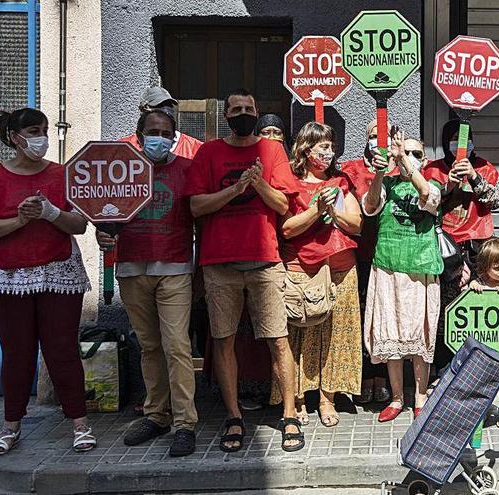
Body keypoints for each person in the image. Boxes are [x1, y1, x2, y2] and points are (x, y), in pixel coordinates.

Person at [185, 88, 304, 452]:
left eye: (248, 108)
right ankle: (234, 415)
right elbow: (195, 207)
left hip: (265, 262)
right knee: (223, 341)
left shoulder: (272, 151)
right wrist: (235, 190)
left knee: (277, 339)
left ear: (257, 112)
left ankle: (289, 414)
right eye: (235, 108)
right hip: (219, 265)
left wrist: (258, 183)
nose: (242, 113)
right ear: (225, 114)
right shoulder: (209, 153)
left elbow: (284, 203)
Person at [0, 108, 94, 455]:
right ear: (14, 137)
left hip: (58, 272)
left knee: (62, 350)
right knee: (17, 353)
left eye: (44, 130)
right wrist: (19, 221)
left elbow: (79, 225)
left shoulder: (64, 176)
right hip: (7, 276)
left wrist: (50, 212)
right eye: (32, 131)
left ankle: (80, 424)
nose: (40, 138)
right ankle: (11, 426)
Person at [96, 108, 198, 457]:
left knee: (177, 346)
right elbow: (101, 210)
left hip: (174, 266)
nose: (158, 137)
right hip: (130, 267)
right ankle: (157, 414)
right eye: (151, 130)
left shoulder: (187, 169)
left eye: (165, 131)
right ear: (138, 135)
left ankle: (185, 423)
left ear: (174, 137)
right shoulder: (119, 171)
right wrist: (102, 234)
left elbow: (201, 213)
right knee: (149, 346)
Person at [272, 121, 363, 427]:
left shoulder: (340, 181)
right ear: (305, 149)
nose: (329, 152)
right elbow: (286, 228)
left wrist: (334, 212)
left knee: (337, 335)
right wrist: (315, 210)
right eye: (322, 146)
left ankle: (327, 398)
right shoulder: (292, 182)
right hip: (302, 269)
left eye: (331, 146)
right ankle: (296, 399)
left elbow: (356, 224)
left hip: (341, 268)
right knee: (300, 334)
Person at [362, 134, 443, 422]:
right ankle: (397, 399)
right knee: (391, 335)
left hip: (420, 269)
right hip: (387, 267)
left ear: (424, 158)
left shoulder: (433, 183)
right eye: (406, 151)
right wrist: (382, 170)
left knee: (420, 337)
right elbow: (370, 207)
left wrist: (406, 162)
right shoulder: (386, 184)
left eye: (416, 153)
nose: (409, 156)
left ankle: (420, 397)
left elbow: (428, 198)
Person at [423, 119, 499, 377]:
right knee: (446, 312)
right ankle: (445, 369)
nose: (461, 145)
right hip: (446, 248)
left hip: (477, 245)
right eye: (455, 139)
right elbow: (426, 204)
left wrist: (474, 176)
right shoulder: (433, 169)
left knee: (476, 308)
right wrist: (449, 185)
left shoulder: (485, 168)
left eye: (466, 139)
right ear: (446, 142)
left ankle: (479, 368)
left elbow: (495, 201)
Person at [340, 120, 392, 405]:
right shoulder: (350, 169)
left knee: (382, 318)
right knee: (359, 319)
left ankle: (381, 378)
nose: (377, 141)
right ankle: (360, 377)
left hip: (388, 255)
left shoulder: (397, 168)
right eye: (373, 136)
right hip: (357, 255)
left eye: (382, 136)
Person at [467, 238, 499, 429]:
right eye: (496, 267)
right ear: (485, 266)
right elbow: (470, 293)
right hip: (482, 339)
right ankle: (483, 407)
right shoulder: (479, 281)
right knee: (481, 375)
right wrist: (474, 287)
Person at [119, 86, 204, 159]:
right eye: (158, 106)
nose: (165, 110)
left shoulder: (193, 148)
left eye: (169, 106)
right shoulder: (123, 148)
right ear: (143, 111)